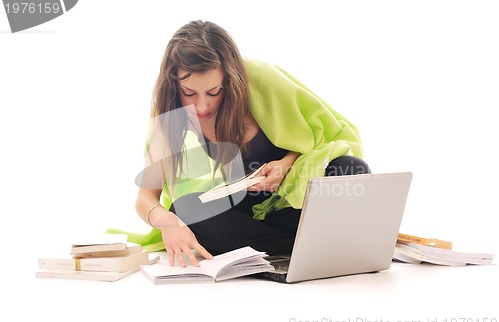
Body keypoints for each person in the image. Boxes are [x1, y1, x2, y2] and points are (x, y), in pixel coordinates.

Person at [129, 20, 370, 267]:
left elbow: (324, 135)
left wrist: (284, 165)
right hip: (247, 213)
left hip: (295, 201)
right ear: (173, 84)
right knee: (184, 210)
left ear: (232, 79)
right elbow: (145, 197)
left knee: (351, 168)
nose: (202, 106)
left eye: (214, 92)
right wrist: (168, 223)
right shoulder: (170, 113)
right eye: (189, 92)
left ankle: (303, 245)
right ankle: (315, 245)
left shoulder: (260, 78)